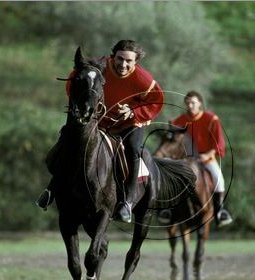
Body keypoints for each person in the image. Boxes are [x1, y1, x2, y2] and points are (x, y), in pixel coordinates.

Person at [36, 40, 164, 224]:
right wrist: (82, 105)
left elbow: (157, 101)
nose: (123, 64)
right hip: (99, 120)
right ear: (113, 56)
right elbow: (75, 79)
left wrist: (133, 112)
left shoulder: (144, 79)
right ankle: (52, 188)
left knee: (134, 149)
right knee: (68, 138)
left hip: (128, 122)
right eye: (120, 59)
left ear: (136, 62)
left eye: (129, 61)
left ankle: (127, 202)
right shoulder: (98, 67)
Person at [170, 90, 233, 227]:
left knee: (218, 179)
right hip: (187, 160)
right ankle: (169, 211)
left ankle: (220, 211)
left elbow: (219, 142)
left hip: (206, 158)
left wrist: (208, 154)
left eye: (193, 102)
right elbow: (173, 140)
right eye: (187, 103)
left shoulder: (211, 119)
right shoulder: (180, 121)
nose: (190, 105)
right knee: (172, 179)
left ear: (200, 103)